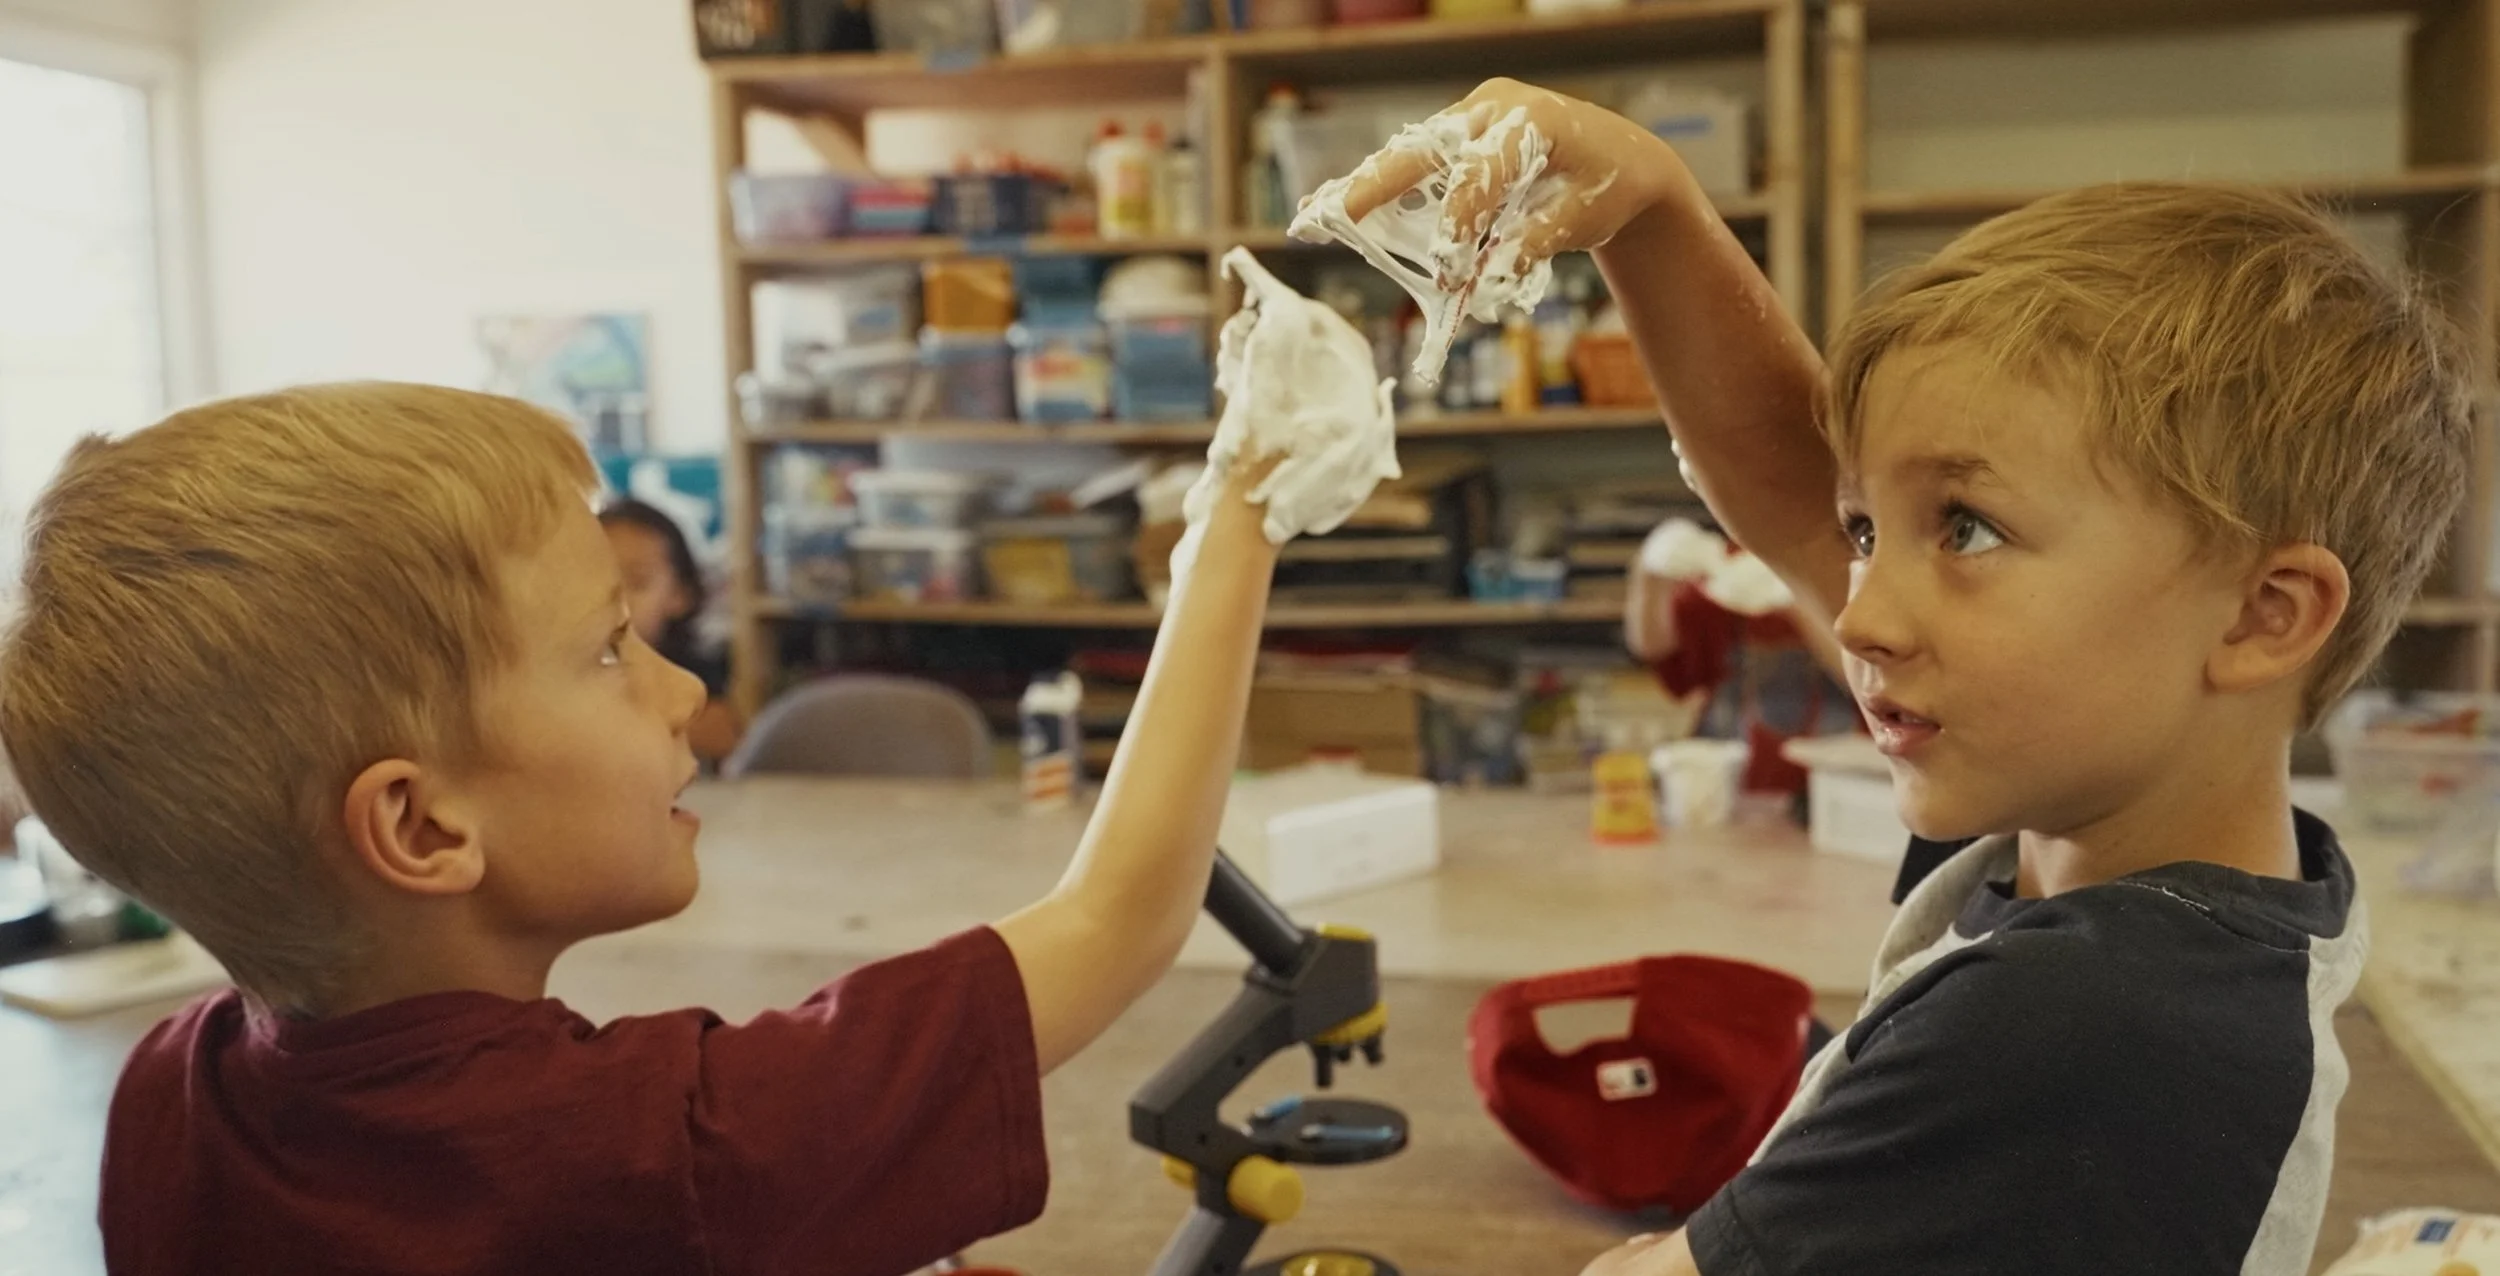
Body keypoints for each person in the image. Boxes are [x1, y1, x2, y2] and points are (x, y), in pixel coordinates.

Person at [1327, 83, 2471, 1275]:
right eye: (1869, 528)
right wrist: (1651, 208)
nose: (1861, 610)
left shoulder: (2085, 1022)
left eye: (1966, 528)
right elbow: (1785, 488)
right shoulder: (2144, 846)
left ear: (2260, 615)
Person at [0, 383, 1310, 1275]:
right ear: (419, 824)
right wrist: (1237, 519)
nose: (684, 689)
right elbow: (1123, 912)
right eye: (612, 651)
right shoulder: (666, 1152)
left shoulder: (168, 1092)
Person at [599, 497, 744, 761]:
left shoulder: (690, 671)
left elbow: (719, 736)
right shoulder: (558, 668)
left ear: (681, 594)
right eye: (596, 577)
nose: (612, 595)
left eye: (637, 581)